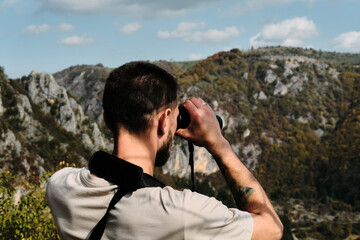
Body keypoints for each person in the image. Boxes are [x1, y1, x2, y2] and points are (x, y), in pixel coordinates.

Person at [46, 61, 283, 240]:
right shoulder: (180, 212)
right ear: (164, 120)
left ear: (107, 120)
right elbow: (272, 228)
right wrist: (219, 145)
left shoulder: (61, 187)